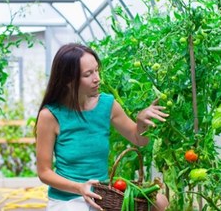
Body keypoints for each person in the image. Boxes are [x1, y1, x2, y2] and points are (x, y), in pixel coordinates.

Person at [35, 43, 169, 211]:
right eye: (88, 74)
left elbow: (138, 139)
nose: (97, 78)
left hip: (103, 194)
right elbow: (44, 172)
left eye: (96, 70)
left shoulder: (107, 104)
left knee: (160, 202)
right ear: (68, 80)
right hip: (69, 198)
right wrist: (79, 188)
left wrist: (141, 123)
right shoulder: (50, 115)